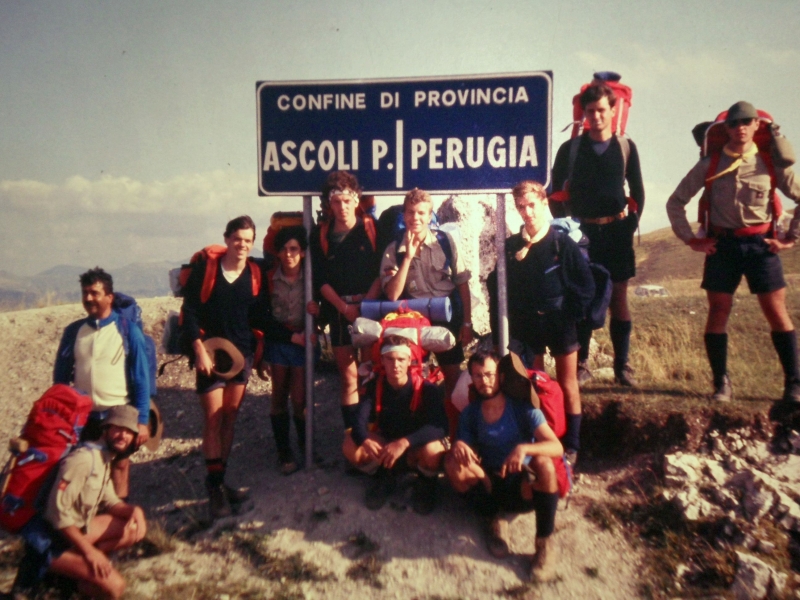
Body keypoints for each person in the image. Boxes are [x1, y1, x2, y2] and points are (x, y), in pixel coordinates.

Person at [667, 101, 800, 415]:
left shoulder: (771, 162)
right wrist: (691, 240)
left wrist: (791, 238)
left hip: (761, 246)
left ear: (757, 125)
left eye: (747, 122)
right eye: (735, 123)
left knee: (775, 311)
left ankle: (794, 383)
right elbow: (676, 202)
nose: (741, 128)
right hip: (723, 247)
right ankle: (721, 382)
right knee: (718, 311)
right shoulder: (710, 165)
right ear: (726, 128)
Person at [489, 181, 595, 462]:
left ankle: (571, 443)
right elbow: (496, 285)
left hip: (560, 322)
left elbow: (585, 284)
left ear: (543, 202)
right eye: (521, 207)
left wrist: (572, 316)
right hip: (528, 325)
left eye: (532, 205)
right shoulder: (512, 245)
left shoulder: (562, 243)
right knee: (533, 384)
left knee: (567, 382)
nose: (527, 213)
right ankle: (540, 438)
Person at [551, 82, 645, 387]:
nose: (596, 117)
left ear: (613, 109)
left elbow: (638, 191)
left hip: (617, 232)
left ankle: (622, 366)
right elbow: (553, 193)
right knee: (581, 297)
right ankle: (582, 364)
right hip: (582, 232)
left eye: (602, 110)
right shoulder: (571, 149)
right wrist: (566, 230)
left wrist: (631, 224)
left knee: (619, 299)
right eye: (590, 111)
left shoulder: (626, 147)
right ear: (584, 113)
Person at [445, 350, 563, 581]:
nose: (484, 381)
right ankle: (493, 518)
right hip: (489, 483)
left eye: (489, 374)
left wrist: (524, 449)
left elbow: (556, 447)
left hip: (520, 484)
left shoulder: (522, 408)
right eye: (477, 376)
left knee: (545, 465)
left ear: (500, 377)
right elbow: (466, 448)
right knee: (452, 464)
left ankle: (544, 543)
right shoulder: (470, 413)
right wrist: (459, 445)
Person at [13, 405, 147, 600]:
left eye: (128, 432)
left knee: (130, 528)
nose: (122, 435)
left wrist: (137, 513)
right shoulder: (84, 459)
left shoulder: (104, 459)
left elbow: (111, 502)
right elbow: (55, 513)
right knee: (116, 588)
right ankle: (59, 575)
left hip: (72, 536)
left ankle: (69, 577)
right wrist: (91, 553)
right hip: (50, 543)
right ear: (105, 429)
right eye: (118, 428)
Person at [181, 215, 262, 519]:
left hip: (241, 356)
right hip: (210, 354)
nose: (242, 245)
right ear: (227, 239)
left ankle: (221, 480)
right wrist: (198, 349)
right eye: (237, 238)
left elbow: (258, 316)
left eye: (248, 240)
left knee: (230, 417)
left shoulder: (254, 272)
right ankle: (214, 489)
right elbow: (189, 311)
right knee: (213, 418)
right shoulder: (208, 269)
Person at [381, 188, 473, 434]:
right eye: (410, 212)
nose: (415, 218)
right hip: (414, 320)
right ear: (404, 214)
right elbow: (391, 294)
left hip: (446, 317)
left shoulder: (445, 242)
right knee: (413, 381)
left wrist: (467, 323)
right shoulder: (394, 248)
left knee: (453, 378)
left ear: (430, 215)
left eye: (421, 213)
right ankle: (417, 436)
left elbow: (462, 283)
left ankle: (456, 436)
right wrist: (408, 258)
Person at [53, 268, 150, 501]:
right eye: (85, 293)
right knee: (87, 467)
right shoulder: (73, 332)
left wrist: (143, 420)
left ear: (109, 297)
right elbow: (60, 379)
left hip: (119, 412)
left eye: (94, 293)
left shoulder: (128, 331)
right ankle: (91, 520)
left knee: (120, 466)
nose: (88, 299)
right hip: (84, 416)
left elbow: (141, 378)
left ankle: (121, 520)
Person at [309, 171, 382, 432]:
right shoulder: (321, 235)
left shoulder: (371, 228)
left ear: (356, 200)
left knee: (370, 373)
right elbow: (320, 279)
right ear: (330, 204)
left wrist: (364, 307)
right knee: (349, 377)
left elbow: (381, 272)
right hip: (339, 313)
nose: (342, 207)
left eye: (347, 201)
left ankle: (372, 433)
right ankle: (353, 437)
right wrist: (345, 308)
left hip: (369, 309)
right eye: (336, 202)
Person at [342, 336, 448, 514]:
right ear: (382, 360)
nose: (395, 365)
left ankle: (425, 482)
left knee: (434, 450)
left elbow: (441, 426)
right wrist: (365, 441)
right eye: (390, 359)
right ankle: (384, 476)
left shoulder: (425, 388)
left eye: (401, 359)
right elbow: (357, 421)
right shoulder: (375, 386)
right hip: (386, 449)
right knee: (350, 444)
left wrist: (405, 442)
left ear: (409, 361)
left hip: (415, 449)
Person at [262, 225, 319, 474]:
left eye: (294, 249)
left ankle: (305, 446)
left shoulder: (312, 278)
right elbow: (263, 317)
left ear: (303, 252)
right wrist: (290, 337)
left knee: (300, 399)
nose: (289, 254)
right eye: (284, 249)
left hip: (303, 342)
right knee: (278, 397)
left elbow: (324, 308)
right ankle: (283, 450)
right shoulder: (269, 278)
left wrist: (319, 315)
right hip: (280, 341)